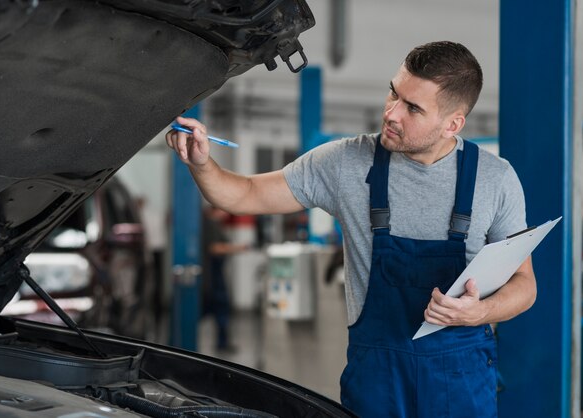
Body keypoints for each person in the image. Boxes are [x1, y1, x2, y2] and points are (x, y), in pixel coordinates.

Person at [165, 41, 536, 417]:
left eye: (413, 108)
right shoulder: (345, 163)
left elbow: (525, 285)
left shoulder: (496, 179)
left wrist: (479, 312)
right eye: (394, 92)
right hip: (378, 383)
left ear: (452, 123)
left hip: (460, 383)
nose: (392, 113)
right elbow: (243, 194)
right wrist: (201, 164)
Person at [202, 205, 248, 353]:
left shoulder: (212, 224)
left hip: (215, 272)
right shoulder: (210, 224)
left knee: (219, 309)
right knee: (219, 306)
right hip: (212, 273)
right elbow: (214, 248)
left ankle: (223, 342)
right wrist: (237, 248)